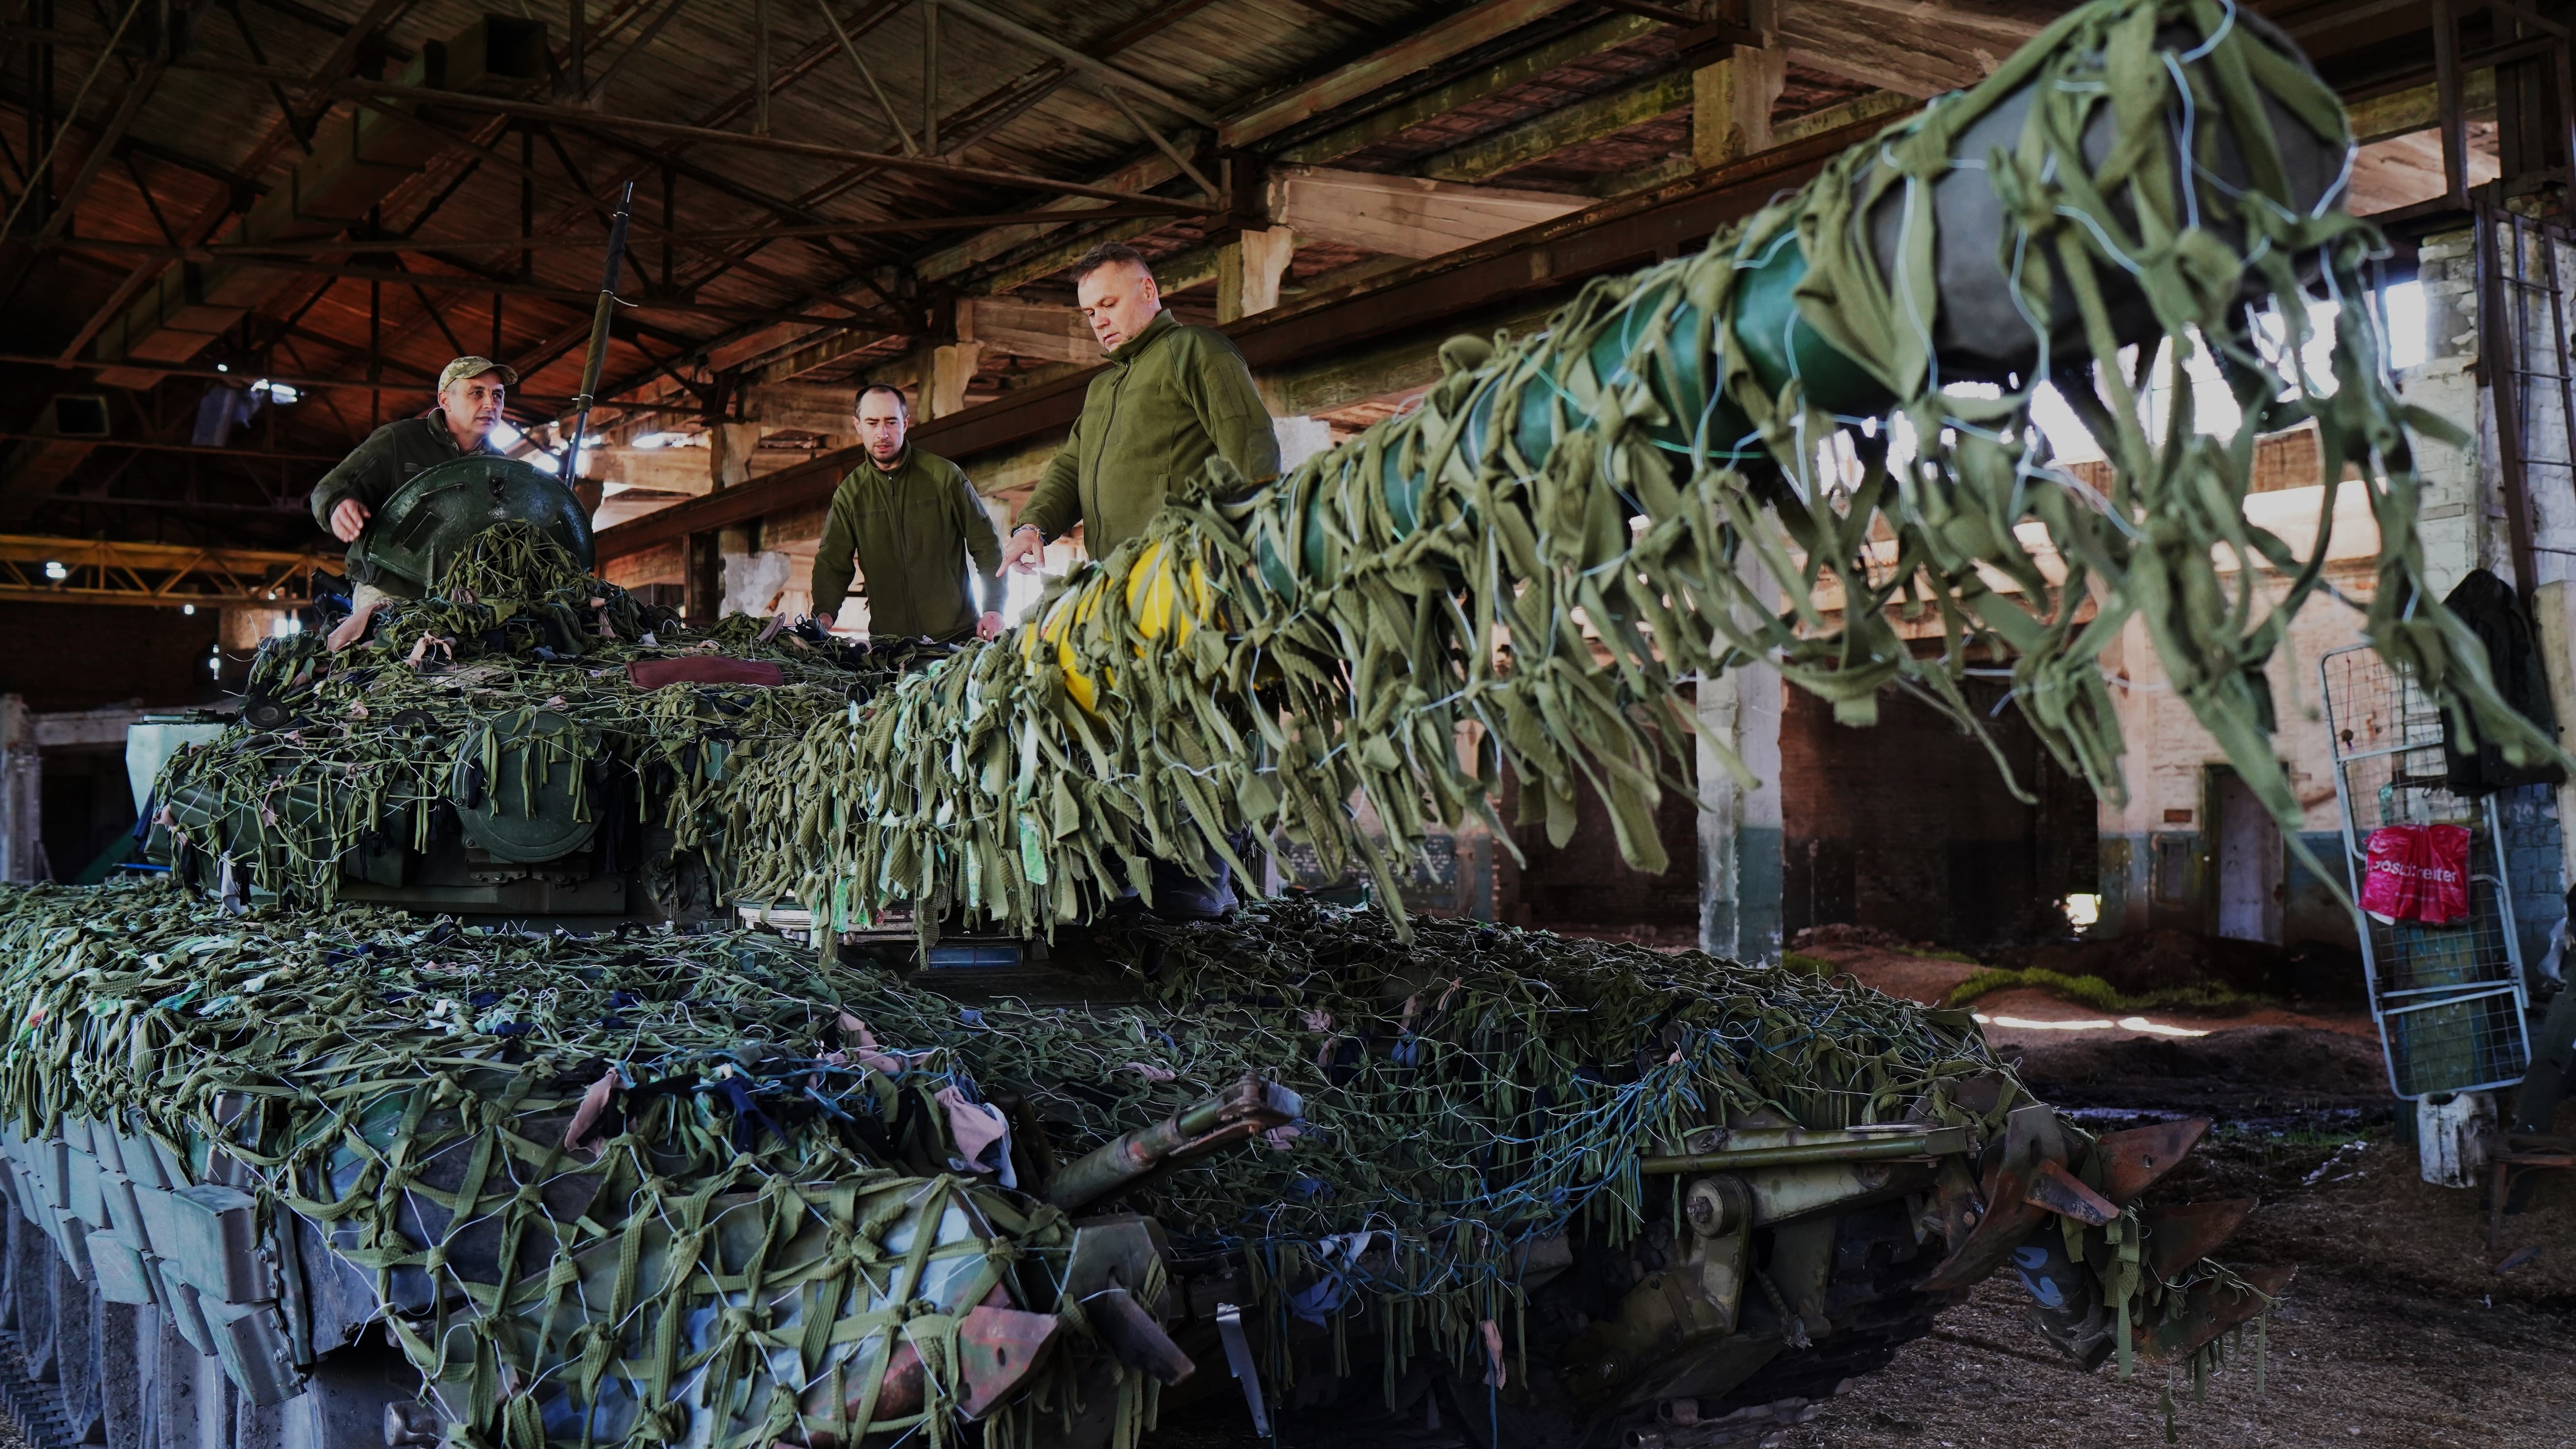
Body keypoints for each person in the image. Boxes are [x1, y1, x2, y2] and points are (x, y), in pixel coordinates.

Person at [999, 242, 1279, 573]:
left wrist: (1242, 549)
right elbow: (1071, 468)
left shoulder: (1197, 348)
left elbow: (1250, 445)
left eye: (1109, 304)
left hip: (1184, 571)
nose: (1100, 322)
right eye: (1090, 313)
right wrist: (1032, 526)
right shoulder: (1102, 389)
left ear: (1147, 290)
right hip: (1114, 581)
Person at [309, 356, 516, 650]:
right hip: (389, 590)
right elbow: (332, 487)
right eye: (476, 393)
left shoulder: (501, 468)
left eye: (498, 395)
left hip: (461, 599)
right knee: (391, 675)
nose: (490, 404)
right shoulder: (398, 440)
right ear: (445, 400)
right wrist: (338, 506)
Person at [809, 383, 1005, 643]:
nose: (883, 433)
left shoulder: (944, 477)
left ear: (906, 424)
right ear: (858, 425)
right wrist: (823, 614)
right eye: (872, 423)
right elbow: (832, 562)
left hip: (956, 639)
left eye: (891, 422)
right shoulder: (850, 495)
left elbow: (986, 544)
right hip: (889, 648)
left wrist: (993, 607)